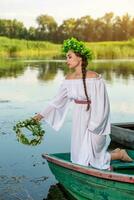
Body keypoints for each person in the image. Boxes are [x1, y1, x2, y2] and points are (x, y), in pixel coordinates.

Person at [34, 37, 133, 170]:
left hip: (95, 118)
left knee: (96, 155)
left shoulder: (94, 78)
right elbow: (56, 102)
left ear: (79, 58)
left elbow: (103, 104)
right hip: (79, 118)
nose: (66, 60)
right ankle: (118, 153)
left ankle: (119, 154)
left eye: (69, 57)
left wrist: (95, 125)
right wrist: (40, 116)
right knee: (81, 156)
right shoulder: (68, 80)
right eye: (66, 57)